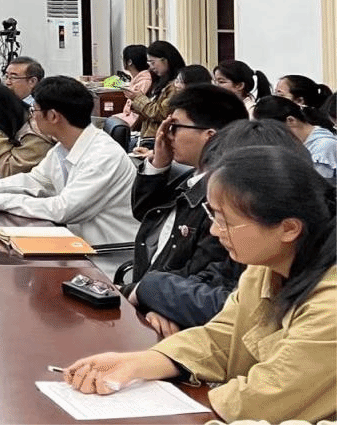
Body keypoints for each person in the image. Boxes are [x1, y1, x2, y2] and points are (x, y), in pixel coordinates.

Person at [63, 145, 336, 423]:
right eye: (213, 215)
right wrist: (139, 363)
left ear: (288, 228)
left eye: (226, 221)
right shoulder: (267, 267)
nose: (215, 231)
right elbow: (223, 336)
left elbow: (265, 398)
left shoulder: (331, 306)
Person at [131, 119, 315, 336]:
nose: (215, 229)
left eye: (224, 218)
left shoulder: (322, 297)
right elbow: (214, 281)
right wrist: (164, 306)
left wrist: (151, 290)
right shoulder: (261, 259)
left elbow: (238, 318)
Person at [0, 76, 139, 245]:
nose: (32, 116)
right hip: (76, 245)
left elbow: (63, 210)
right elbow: (36, 180)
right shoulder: (63, 147)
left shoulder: (103, 155)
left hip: (107, 257)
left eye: (34, 110)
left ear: (53, 116)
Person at [121, 84, 248, 299]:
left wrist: (141, 293)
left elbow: (198, 276)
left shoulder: (221, 196)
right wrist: (158, 164)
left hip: (165, 300)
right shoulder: (190, 176)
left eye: (175, 127)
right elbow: (144, 212)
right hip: (150, 293)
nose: (166, 135)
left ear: (210, 136)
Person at [254, 95, 337, 184]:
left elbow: (318, 187)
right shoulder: (297, 144)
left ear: (291, 120)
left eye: (274, 130)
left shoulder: (323, 146)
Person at [124, 40, 185, 147]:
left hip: (158, 139)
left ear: (166, 60)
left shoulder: (176, 86)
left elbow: (160, 113)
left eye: (153, 62)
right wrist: (135, 104)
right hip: (149, 135)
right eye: (149, 63)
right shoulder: (160, 81)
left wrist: (138, 98)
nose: (151, 67)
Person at [111, 45, 151, 129]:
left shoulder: (145, 81)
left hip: (136, 119)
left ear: (129, 62)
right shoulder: (138, 78)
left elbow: (137, 108)